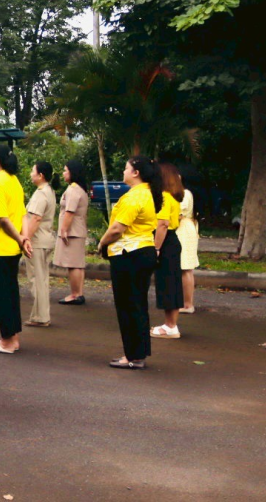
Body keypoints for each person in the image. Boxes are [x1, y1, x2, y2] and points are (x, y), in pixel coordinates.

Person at [97, 156, 160, 370]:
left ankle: (132, 355)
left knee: (128, 305)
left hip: (129, 254)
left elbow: (117, 228)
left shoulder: (134, 197)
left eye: (126, 168)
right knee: (137, 305)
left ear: (136, 173)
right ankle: (137, 353)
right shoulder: (148, 192)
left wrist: (101, 243)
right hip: (142, 252)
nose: (123, 172)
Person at [0, 145, 28, 355]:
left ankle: (8, 341)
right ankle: (11, 338)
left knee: (1, 295)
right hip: (12, 247)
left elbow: (2, 218)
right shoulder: (14, 181)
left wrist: (21, 238)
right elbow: (23, 214)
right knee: (10, 294)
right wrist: (23, 238)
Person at [151, 163, 185, 340]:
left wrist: (156, 248)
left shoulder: (164, 197)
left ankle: (171, 326)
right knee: (171, 282)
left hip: (165, 242)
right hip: (172, 241)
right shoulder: (173, 197)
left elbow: (162, 224)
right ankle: (169, 324)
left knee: (167, 283)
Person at [22, 161, 57, 328]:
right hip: (44, 239)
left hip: (37, 241)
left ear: (40, 175)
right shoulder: (47, 191)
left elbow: (35, 218)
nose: (30, 174)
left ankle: (40, 317)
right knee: (41, 279)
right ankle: (41, 315)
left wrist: (25, 239)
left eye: (32, 171)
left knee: (37, 279)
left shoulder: (41, 194)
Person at [55, 161, 90, 305]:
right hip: (77, 229)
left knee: (73, 264)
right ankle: (78, 293)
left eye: (65, 171)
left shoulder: (73, 190)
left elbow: (70, 212)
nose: (63, 173)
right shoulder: (79, 189)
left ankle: (75, 294)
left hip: (72, 231)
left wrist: (63, 230)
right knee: (78, 264)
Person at [176, 171, 200, 314]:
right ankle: (185, 302)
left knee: (185, 268)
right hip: (185, 229)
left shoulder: (184, 194)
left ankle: (187, 304)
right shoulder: (184, 193)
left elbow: (177, 215)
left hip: (183, 231)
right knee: (185, 269)